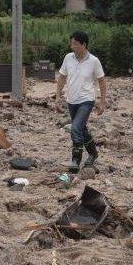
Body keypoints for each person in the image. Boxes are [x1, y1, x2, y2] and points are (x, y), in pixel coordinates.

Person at [55, 31, 106, 170]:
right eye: (71, 43)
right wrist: (58, 96)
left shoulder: (94, 61)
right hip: (71, 100)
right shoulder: (68, 58)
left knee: (75, 128)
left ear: (84, 45)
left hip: (86, 100)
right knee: (82, 129)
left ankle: (75, 161)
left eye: (75, 44)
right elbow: (62, 78)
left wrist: (102, 102)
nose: (72, 46)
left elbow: (102, 81)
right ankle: (93, 154)